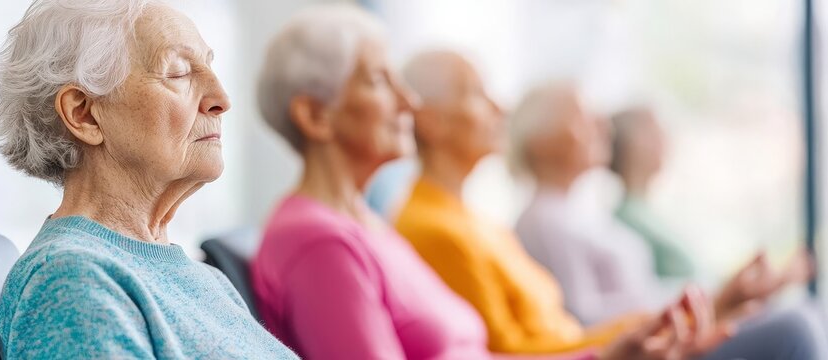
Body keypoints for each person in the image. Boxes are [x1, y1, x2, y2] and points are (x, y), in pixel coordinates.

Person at [250, 7, 721, 360]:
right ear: (315, 115)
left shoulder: (369, 227)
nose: (409, 102)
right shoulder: (319, 241)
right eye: (379, 81)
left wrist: (608, 354)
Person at [0, 1, 296, 358]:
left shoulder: (205, 280)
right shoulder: (72, 280)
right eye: (178, 72)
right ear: (84, 114)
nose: (221, 100)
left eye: (210, 67)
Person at [394, 50, 737, 359]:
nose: (499, 107)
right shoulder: (431, 229)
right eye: (474, 92)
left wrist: (648, 328)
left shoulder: (479, 223)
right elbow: (500, 350)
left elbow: (557, 332)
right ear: (429, 120)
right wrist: (633, 333)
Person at [511, 83, 825, 359]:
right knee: (797, 328)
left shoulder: (580, 214)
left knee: (804, 318)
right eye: (581, 118)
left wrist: (718, 301)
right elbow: (582, 318)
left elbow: (641, 292)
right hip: (657, 344)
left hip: (673, 332)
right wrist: (703, 307)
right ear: (542, 139)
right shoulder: (542, 221)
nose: (600, 127)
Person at [608, 107, 696, 281]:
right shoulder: (627, 221)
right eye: (653, 131)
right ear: (632, 144)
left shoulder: (647, 213)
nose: (664, 139)